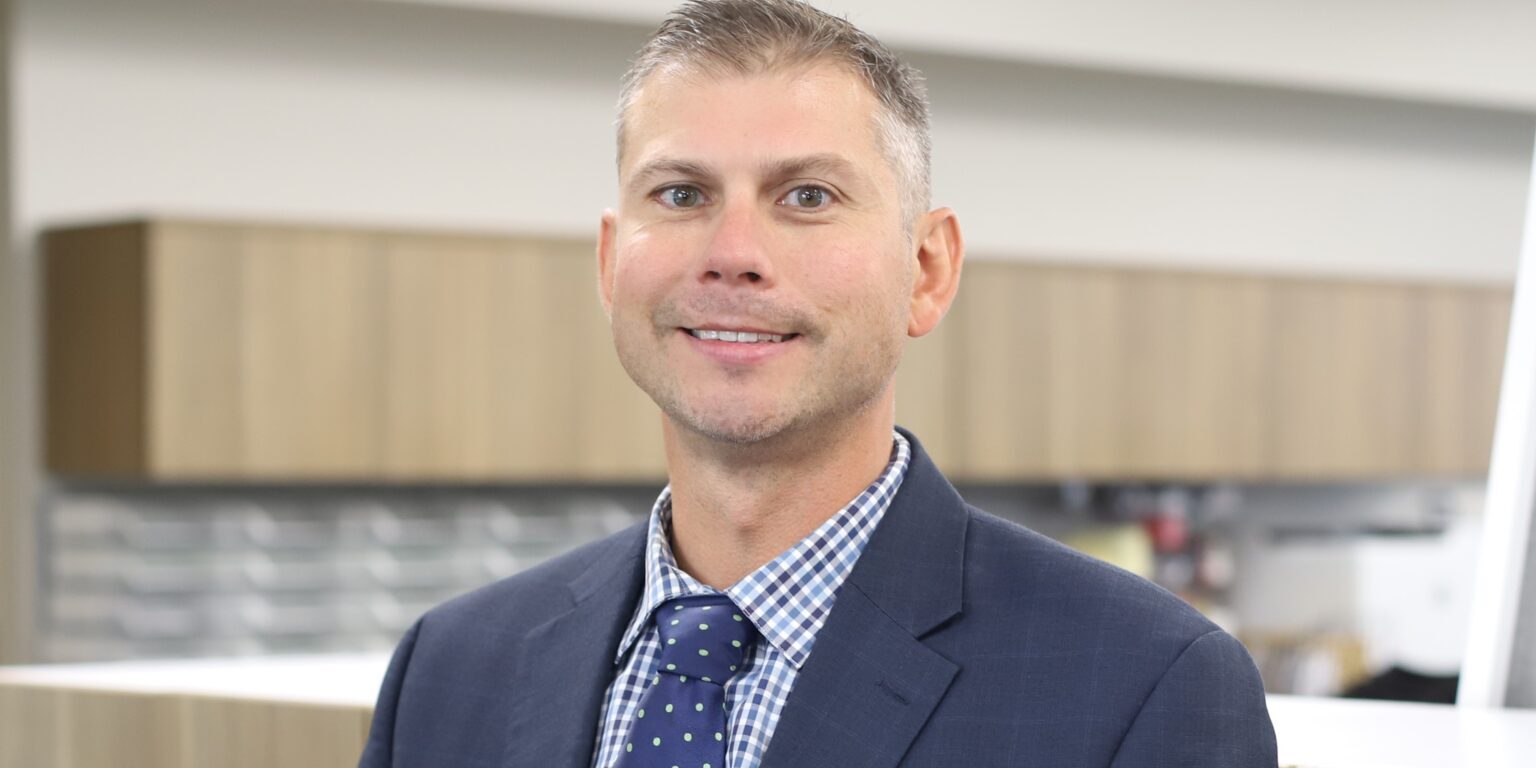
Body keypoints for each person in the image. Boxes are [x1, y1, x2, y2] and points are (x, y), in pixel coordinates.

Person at [359, 1, 1278, 766]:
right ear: (610, 264)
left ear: (925, 269)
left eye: (807, 197)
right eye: (681, 194)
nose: (732, 255)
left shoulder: (1145, 686)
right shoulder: (452, 670)